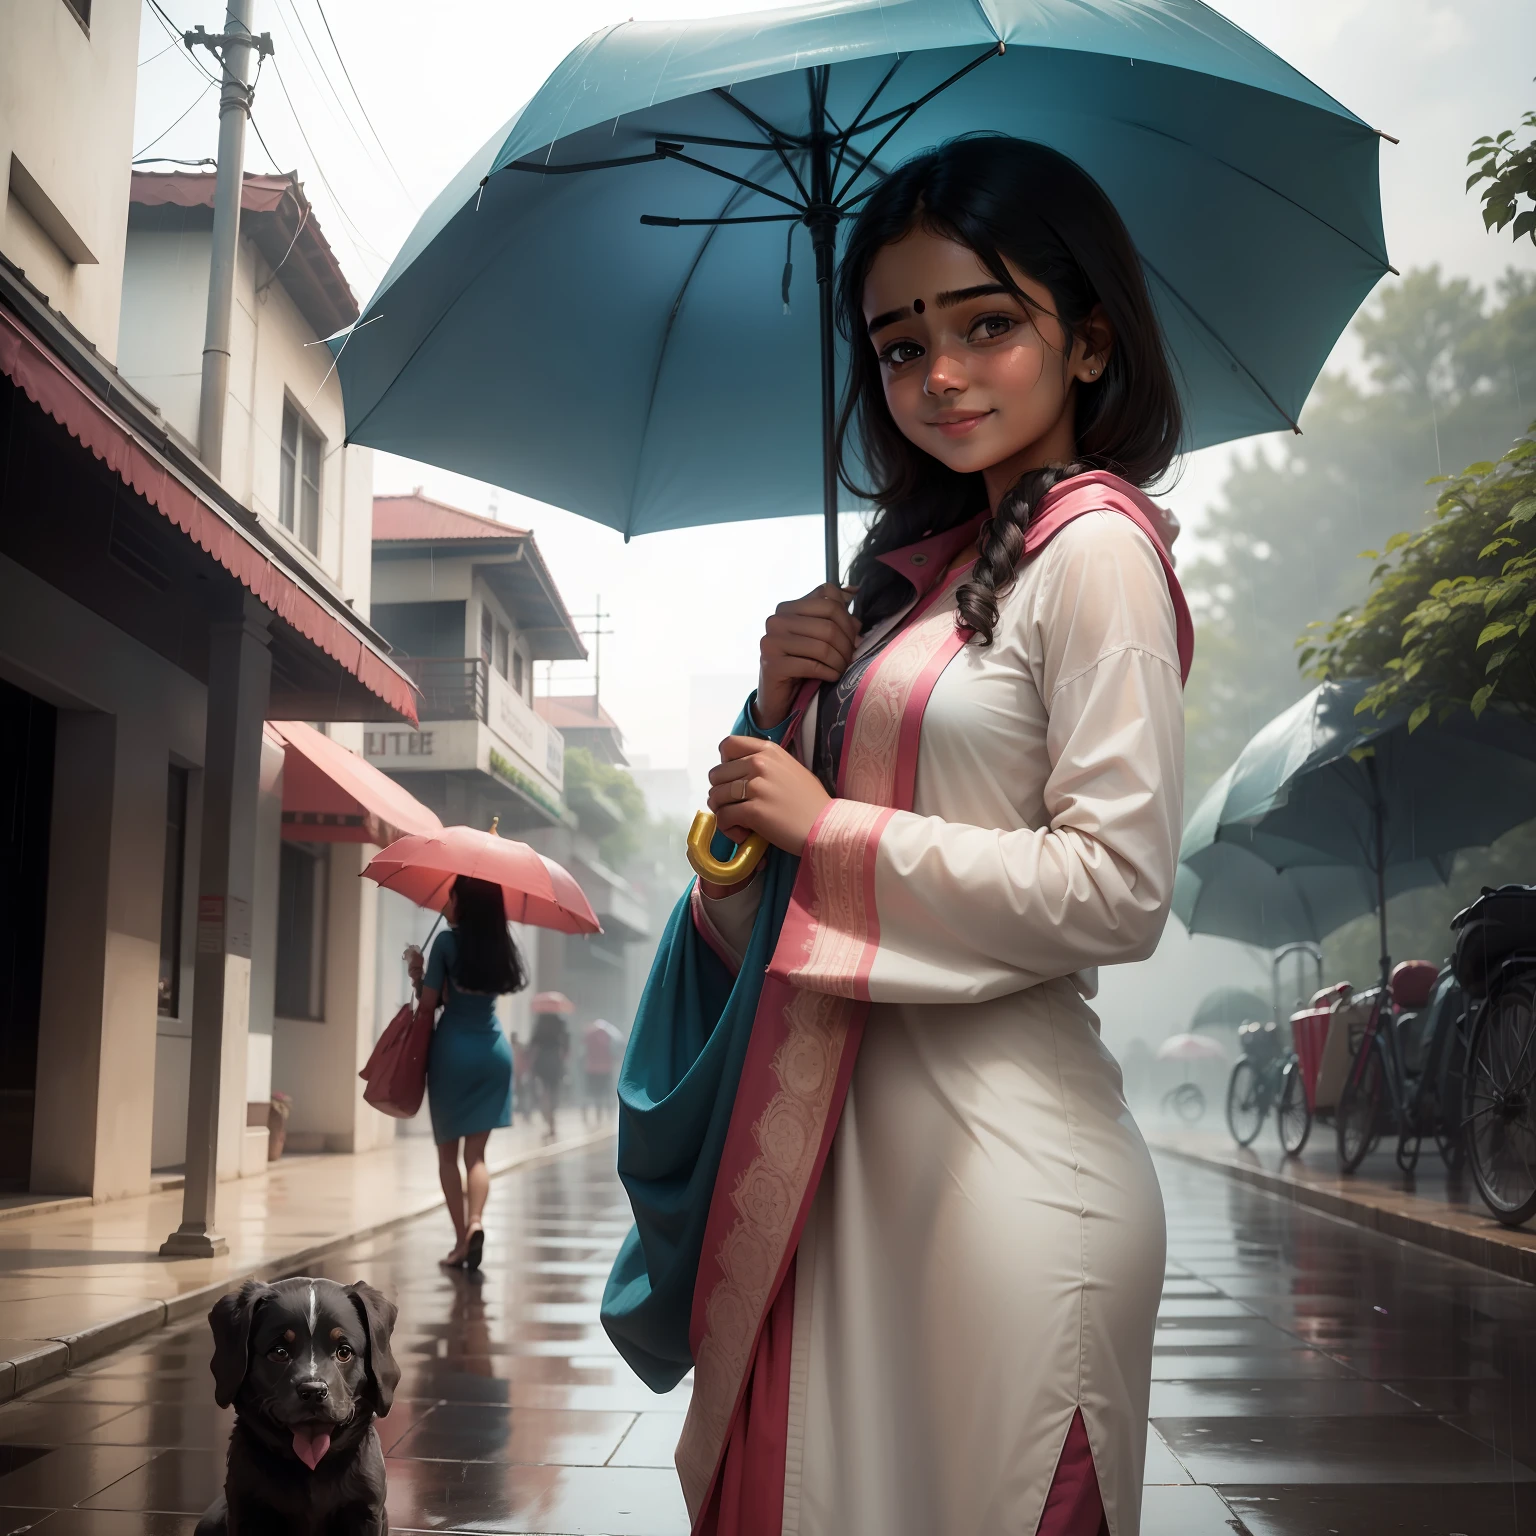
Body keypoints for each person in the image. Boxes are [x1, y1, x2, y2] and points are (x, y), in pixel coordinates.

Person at [604, 135, 1191, 1536]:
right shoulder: (906, 599)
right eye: (898, 343)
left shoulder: (1094, 552)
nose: (938, 375)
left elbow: (1118, 892)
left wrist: (834, 823)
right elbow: (776, 924)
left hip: (1003, 1190)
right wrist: (778, 713)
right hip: (831, 1171)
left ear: (1091, 340)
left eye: (987, 324)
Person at [410, 874, 525, 1271]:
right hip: (493, 1053)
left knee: (448, 1155)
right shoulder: (499, 943)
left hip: (453, 1052)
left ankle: (461, 1241)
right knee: (477, 1156)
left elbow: (428, 1007)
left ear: (464, 901)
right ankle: (477, 1223)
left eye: (453, 895)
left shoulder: (446, 942)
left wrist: (419, 976)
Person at [529, 1006, 569, 1141]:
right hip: (555, 1062)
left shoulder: (540, 1024)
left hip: (542, 1062)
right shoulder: (560, 1024)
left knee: (543, 1093)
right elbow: (566, 1045)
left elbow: (533, 1045)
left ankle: (548, 1118)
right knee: (554, 1092)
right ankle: (552, 1122)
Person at [581, 1018, 622, 1125]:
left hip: (592, 1068)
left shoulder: (590, 1035)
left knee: (593, 1093)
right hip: (606, 1068)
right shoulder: (609, 1035)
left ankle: (591, 1114)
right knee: (606, 1093)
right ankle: (606, 1114)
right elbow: (614, 1051)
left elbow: (584, 1051)